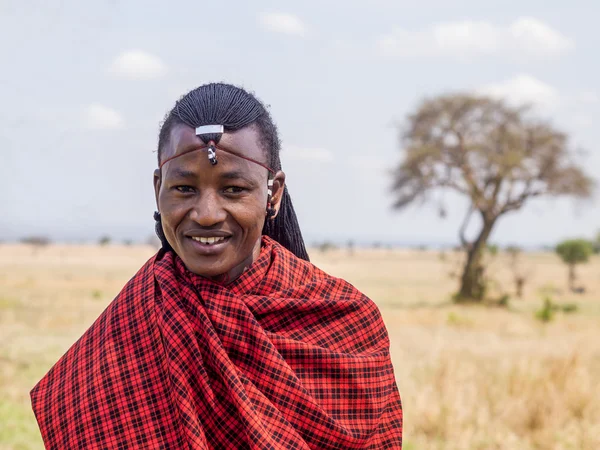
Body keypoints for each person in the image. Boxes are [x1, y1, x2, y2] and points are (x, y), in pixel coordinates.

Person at [31, 83, 403, 449]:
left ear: (272, 193)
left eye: (233, 190)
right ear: (158, 188)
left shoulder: (345, 320)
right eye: (184, 189)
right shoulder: (126, 334)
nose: (207, 214)